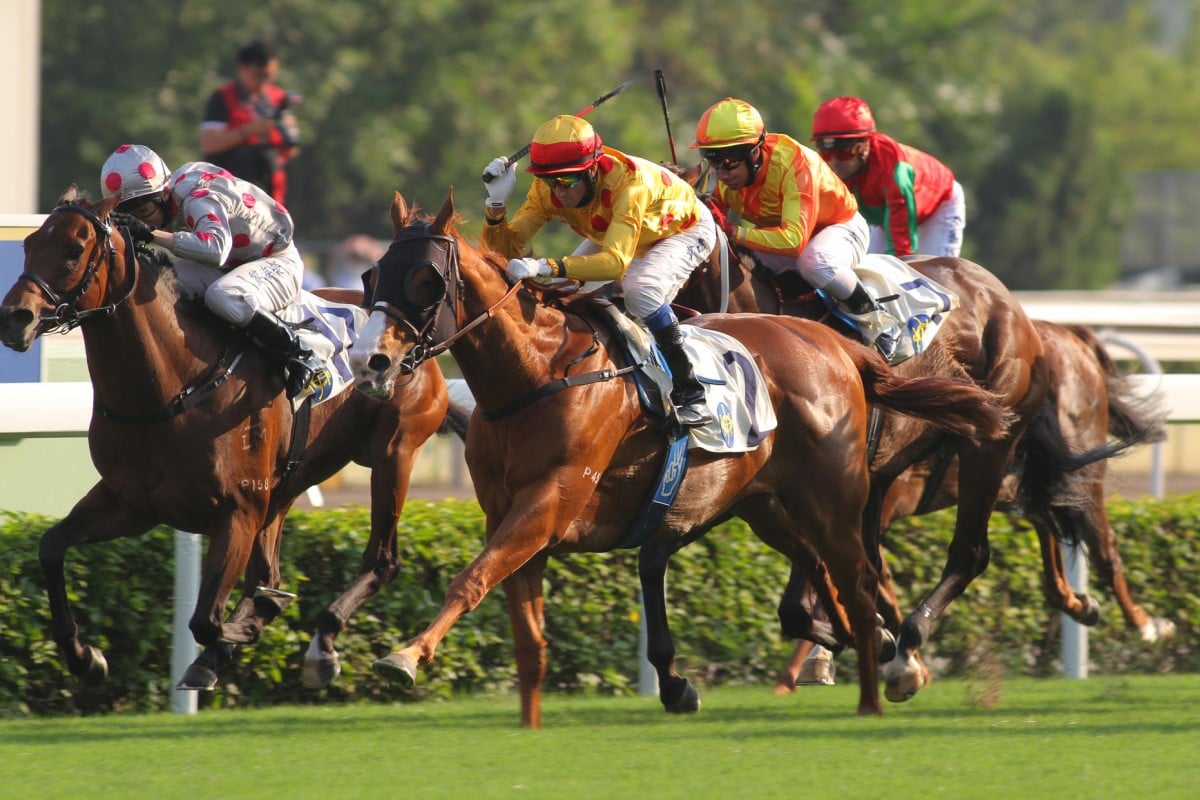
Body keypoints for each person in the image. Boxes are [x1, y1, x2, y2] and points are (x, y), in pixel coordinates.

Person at [480, 115, 716, 427]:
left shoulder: (629, 185)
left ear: (592, 168)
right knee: (563, 293)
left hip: (681, 231)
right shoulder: (546, 190)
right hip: (614, 233)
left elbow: (616, 263)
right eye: (549, 181)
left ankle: (691, 393)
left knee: (639, 291)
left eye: (566, 181)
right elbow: (502, 252)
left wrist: (549, 266)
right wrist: (496, 205)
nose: (558, 192)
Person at [100, 143, 327, 400]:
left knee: (223, 296)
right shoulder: (169, 194)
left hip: (277, 263)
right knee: (156, 280)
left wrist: (151, 234)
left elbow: (215, 249)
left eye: (143, 212)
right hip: (229, 266)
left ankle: (301, 353)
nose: (141, 222)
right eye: (131, 217)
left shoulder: (197, 198)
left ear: (164, 194)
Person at [689, 97, 898, 354]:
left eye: (729, 161)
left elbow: (793, 242)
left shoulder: (794, 164)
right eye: (713, 160)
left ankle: (878, 321)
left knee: (814, 261)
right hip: (785, 233)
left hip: (838, 228)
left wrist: (735, 232)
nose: (721, 173)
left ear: (754, 151)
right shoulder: (726, 174)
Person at [811, 96, 965, 258]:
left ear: (866, 144)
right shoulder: (827, 171)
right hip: (887, 212)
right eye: (825, 150)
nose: (834, 162)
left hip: (939, 206)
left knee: (930, 274)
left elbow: (902, 252)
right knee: (862, 268)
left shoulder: (895, 174)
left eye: (844, 151)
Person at [199, 39, 300, 205]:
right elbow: (208, 144)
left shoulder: (278, 98)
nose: (263, 82)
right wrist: (248, 131)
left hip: (271, 190)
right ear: (242, 69)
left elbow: (290, 151)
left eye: (268, 76)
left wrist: (288, 131)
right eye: (258, 76)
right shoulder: (223, 98)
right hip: (232, 188)